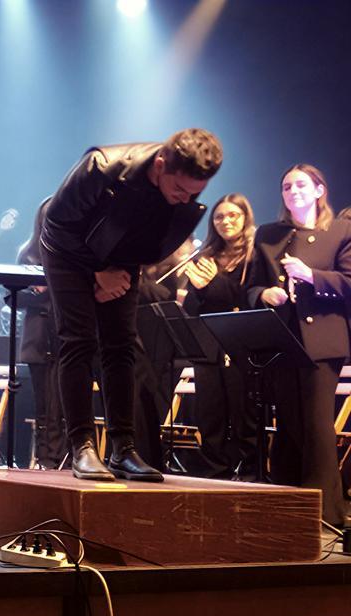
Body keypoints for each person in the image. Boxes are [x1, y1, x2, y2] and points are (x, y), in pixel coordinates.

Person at [40, 128, 221, 482]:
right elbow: (56, 225)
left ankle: (124, 449)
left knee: (121, 344)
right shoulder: (101, 166)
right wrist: (97, 273)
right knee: (79, 341)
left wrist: (116, 274)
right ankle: (82, 448)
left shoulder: (179, 196)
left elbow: (151, 244)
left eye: (194, 194)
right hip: (66, 252)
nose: (185, 199)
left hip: (121, 259)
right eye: (180, 189)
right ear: (160, 164)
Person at [246, 164, 350, 524]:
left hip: (322, 341)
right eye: (287, 185)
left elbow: (349, 284)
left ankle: (325, 513)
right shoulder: (268, 234)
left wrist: (313, 277)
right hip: (282, 339)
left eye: (301, 184)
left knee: (317, 424)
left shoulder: (341, 231)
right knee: (288, 423)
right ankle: (287, 505)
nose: (293, 191)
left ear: (320, 189)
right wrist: (265, 294)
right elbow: (252, 287)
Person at [179, 194, 257, 478]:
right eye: (219, 217)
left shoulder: (255, 253)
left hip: (242, 345)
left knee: (245, 416)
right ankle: (214, 476)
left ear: (245, 217)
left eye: (233, 215)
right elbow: (190, 308)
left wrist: (215, 283)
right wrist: (200, 289)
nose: (226, 221)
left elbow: (249, 299)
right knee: (209, 417)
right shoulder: (206, 256)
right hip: (209, 346)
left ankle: (250, 474)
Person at [18, 197, 66, 470]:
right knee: (44, 406)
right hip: (38, 339)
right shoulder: (27, 254)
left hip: (64, 337)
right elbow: (12, 299)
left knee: (63, 406)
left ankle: (64, 459)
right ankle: (47, 459)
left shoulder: (70, 252)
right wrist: (34, 294)